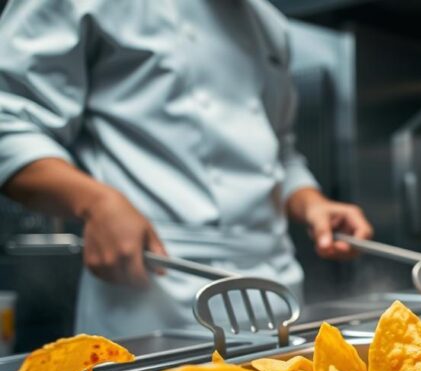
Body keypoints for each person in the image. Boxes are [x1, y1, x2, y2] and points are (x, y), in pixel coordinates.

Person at [0, 0, 372, 337]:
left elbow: (281, 152)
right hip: (156, 288)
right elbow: (8, 123)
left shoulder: (268, 22)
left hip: (275, 285)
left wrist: (311, 203)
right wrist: (95, 202)